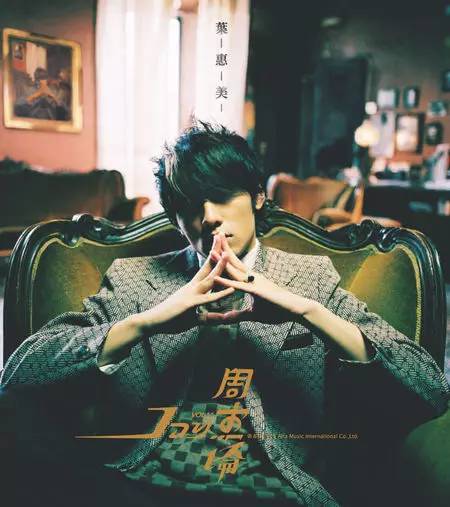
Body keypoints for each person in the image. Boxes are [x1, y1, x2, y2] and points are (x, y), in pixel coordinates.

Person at [0, 122, 448, 507]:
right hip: (143, 483)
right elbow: (19, 374)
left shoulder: (310, 278)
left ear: (257, 197)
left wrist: (307, 310)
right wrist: (147, 321)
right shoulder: (134, 278)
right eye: (190, 205)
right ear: (175, 218)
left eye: (221, 196)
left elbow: (429, 385)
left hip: (276, 486)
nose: (210, 217)